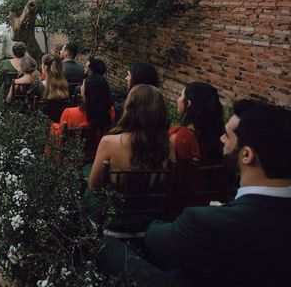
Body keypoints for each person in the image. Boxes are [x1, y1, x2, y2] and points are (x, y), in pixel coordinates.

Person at [98, 100, 291, 286]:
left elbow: (154, 238)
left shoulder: (207, 223)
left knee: (105, 246)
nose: (221, 138)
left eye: (227, 135)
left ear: (247, 155)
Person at [89, 85, 173, 191]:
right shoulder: (168, 145)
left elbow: (93, 186)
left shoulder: (108, 142)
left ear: (129, 108)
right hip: (152, 206)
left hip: (115, 206)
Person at [46, 75, 115, 154]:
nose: (81, 87)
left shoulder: (69, 113)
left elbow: (61, 137)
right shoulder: (110, 111)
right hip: (97, 151)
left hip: (73, 154)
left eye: (83, 85)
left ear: (87, 91)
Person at [170, 82, 225, 162]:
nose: (178, 99)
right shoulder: (220, 134)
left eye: (181, 95)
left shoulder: (182, 136)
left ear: (188, 103)